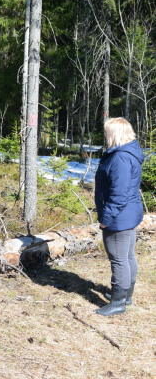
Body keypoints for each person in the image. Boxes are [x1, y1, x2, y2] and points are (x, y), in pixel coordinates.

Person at [94, 117, 144, 316]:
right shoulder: (128, 153)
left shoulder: (120, 158)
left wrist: (106, 219)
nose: (105, 136)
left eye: (107, 132)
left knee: (119, 259)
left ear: (115, 134)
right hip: (129, 214)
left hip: (119, 217)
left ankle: (117, 304)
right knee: (127, 256)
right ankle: (126, 296)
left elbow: (119, 194)